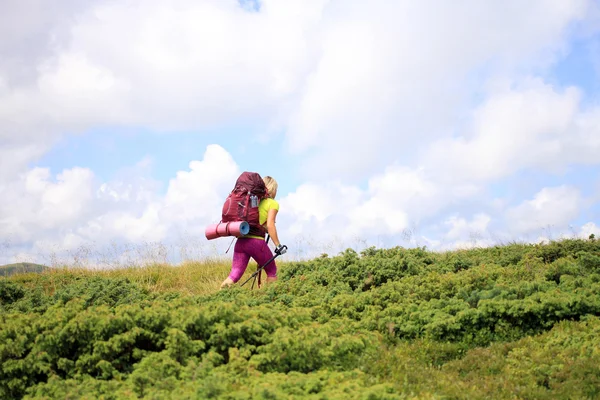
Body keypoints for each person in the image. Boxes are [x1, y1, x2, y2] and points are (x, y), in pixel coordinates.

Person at [220, 176, 286, 289]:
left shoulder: (251, 201)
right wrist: (278, 245)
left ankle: (218, 299)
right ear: (273, 189)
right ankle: (270, 300)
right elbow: (270, 225)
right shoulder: (272, 203)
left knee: (234, 274)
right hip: (256, 243)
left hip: (241, 241)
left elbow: (261, 223)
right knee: (272, 272)